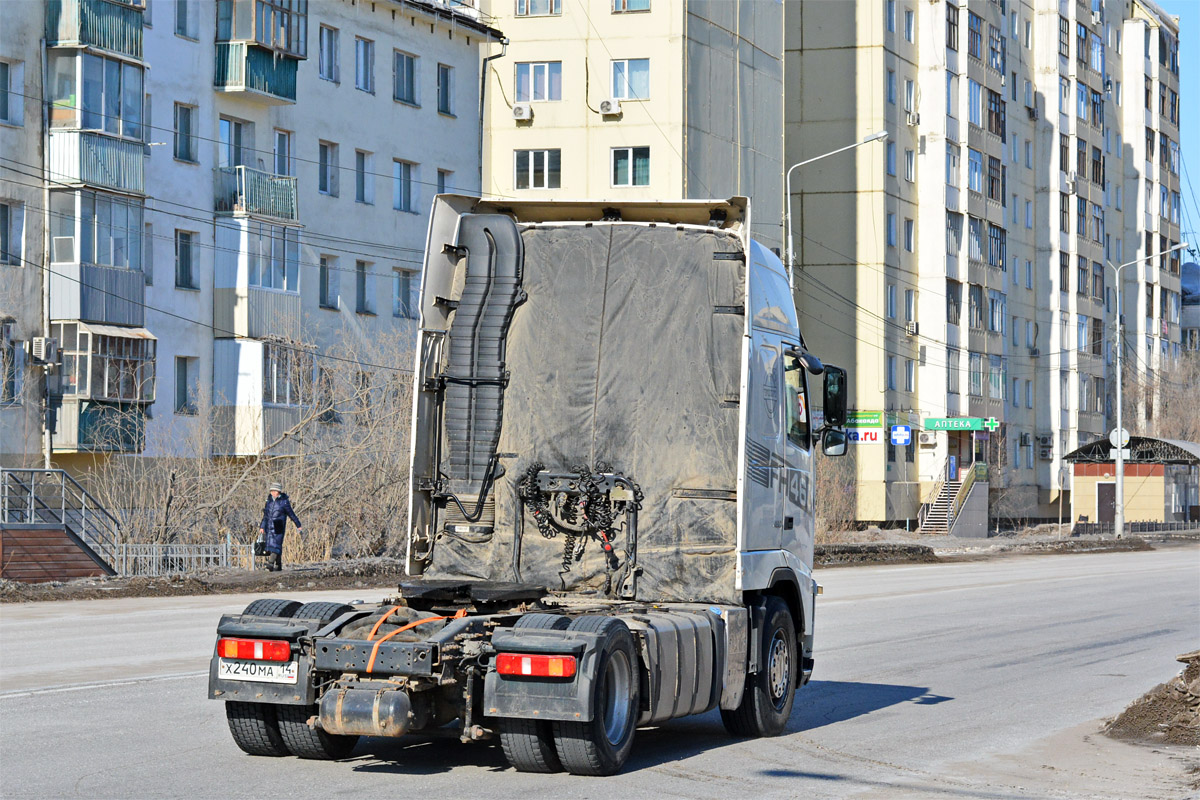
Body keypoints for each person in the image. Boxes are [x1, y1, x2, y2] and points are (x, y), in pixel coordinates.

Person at [259, 482, 302, 572]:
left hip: (278, 525)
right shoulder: (269, 501)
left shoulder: (284, 502)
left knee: (276, 545)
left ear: (278, 491)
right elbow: (265, 516)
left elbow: (291, 514)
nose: (273, 493)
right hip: (269, 526)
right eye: (272, 491)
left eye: (275, 491)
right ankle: (278, 565)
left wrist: (298, 525)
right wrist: (262, 526)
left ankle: (270, 564)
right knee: (271, 546)